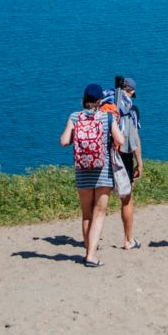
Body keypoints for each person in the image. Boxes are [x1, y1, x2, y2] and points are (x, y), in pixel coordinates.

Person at [60, 82, 124, 267]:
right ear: (99, 101)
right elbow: (120, 139)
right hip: (103, 172)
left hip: (82, 171)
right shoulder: (107, 118)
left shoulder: (74, 117)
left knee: (86, 214)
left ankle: (88, 251)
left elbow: (64, 141)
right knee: (100, 213)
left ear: (84, 100)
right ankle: (91, 255)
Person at [111, 75, 143, 249]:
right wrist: (140, 162)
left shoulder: (107, 107)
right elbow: (135, 139)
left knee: (99, 200)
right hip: (124, 155)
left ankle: (89, 241)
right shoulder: (133, 111)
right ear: (131, 91)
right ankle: (128, 240)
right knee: (127, 198)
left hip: (106, 153)